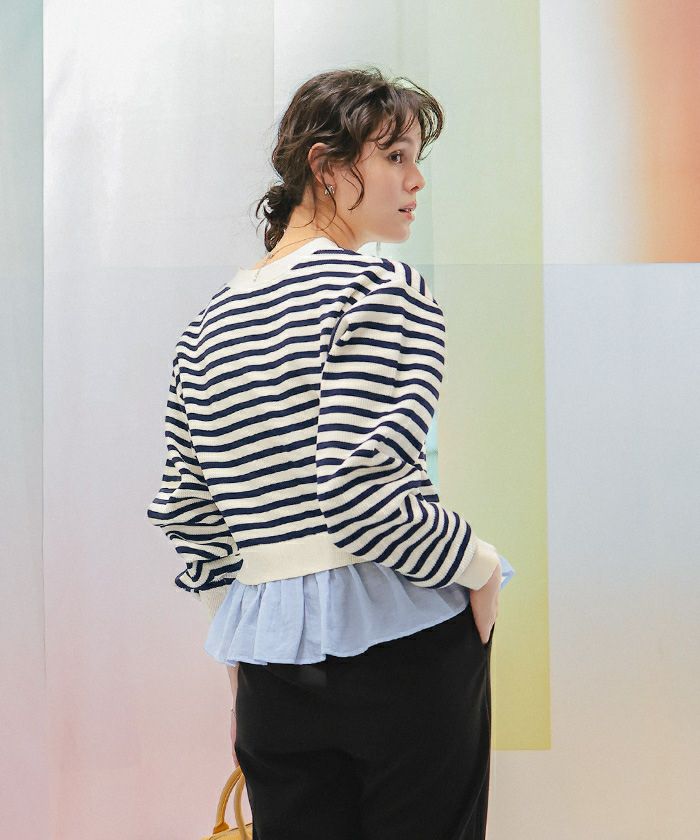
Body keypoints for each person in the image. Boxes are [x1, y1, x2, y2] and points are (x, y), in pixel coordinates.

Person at [147, 65, 514, 840]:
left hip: (271, 675)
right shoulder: (380, 290)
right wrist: (478, 564)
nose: (416, 181)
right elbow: (359, 495)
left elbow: (190, 513)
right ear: (325, 165)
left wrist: (246, 639)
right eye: (395, 157)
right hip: (404, 653)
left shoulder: (207, 326)